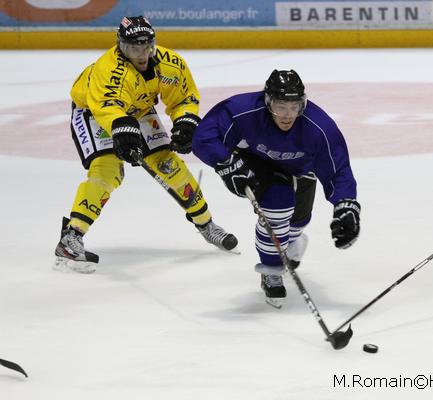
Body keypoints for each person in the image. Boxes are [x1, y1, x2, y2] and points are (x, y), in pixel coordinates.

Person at [54, 16, 238, 274]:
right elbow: (106, 106)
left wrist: (185, 122)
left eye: (147, 46)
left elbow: (184, 97)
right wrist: (122, 130)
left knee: (167, 164)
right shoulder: (108, 69)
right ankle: (71, 237)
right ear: (120, 46)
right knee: (108, 169)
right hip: (93, 113)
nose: (141, 54)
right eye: (133, 48)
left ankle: (207, 225)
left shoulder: (170, 63)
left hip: (139, 109)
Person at [192, 69, 361, 307]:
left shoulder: (319, 127)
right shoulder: (243, 110)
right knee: (278, 204)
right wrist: (225, 163)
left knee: (299, 221)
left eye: (295, 107)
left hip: (301, 171)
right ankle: (271, 269)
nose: (287, 115)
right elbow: (204, 136)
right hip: (257, 162)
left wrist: (346, 206)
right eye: (281, 106)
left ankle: (288, 241)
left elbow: (338, 169)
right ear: (267, 101)